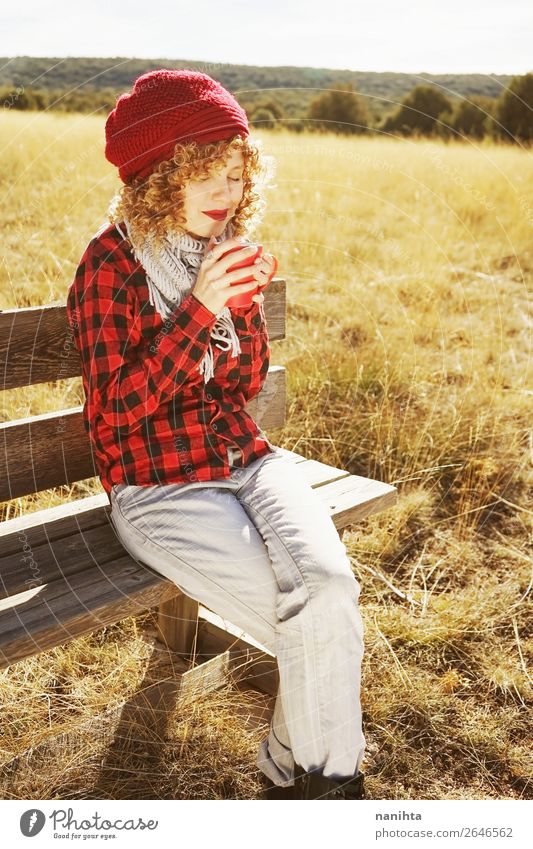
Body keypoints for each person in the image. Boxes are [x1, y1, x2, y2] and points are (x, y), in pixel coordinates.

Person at [66, 68, 366, 800]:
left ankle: (298, 765)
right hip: (158, 486)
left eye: (235, 174)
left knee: (329, 586)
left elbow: (243, 385)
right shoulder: (111, 266)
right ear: (156, 177)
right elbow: (115, 413)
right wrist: (199, 311)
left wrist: (244, 305)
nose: (224, 193)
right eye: (202, 174)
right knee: (313, 623)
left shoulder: (224, 248)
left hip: (247, 461)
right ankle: (325, 781)